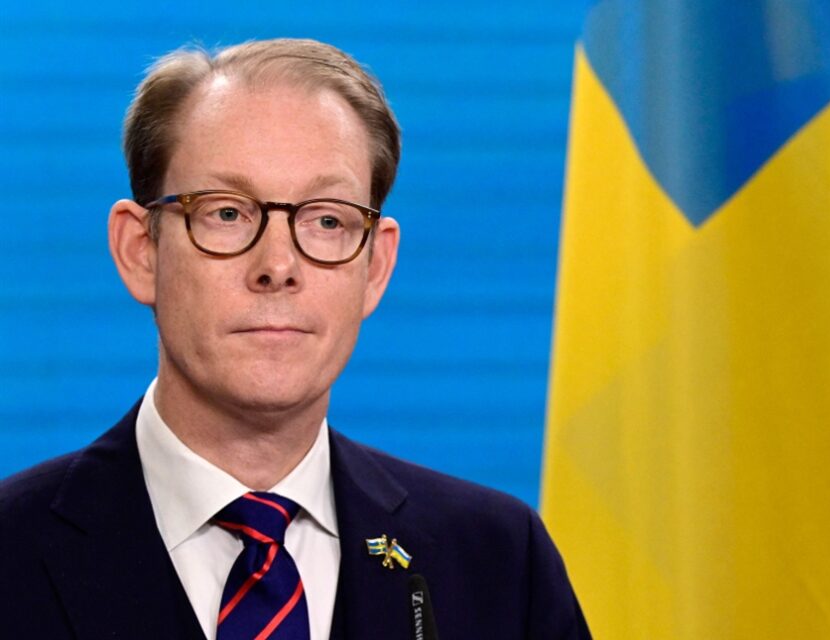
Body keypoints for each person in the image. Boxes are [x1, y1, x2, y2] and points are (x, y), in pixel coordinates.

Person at [0, 38, 590, 640]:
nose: (278, 266)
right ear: (140, 251)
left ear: (376, 267)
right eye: (227, 213)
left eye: (327, 219)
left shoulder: (499, 565)